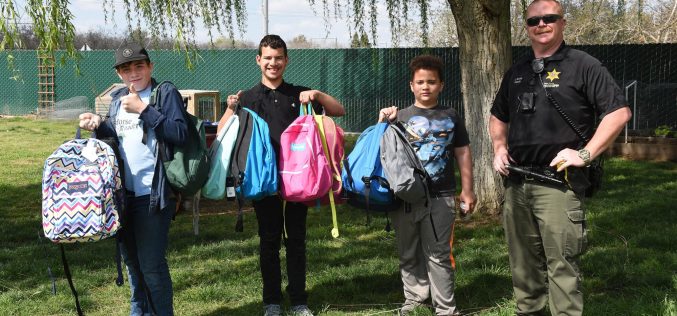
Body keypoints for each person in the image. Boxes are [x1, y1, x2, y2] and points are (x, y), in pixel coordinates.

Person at [489, 0, 632, 315]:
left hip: (558, 183)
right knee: (523, 268)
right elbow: (498, 116)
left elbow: (619, 113)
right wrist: (499, 148)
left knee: (561, 267)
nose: (541, 25)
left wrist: (585, 153)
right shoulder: (517, 72)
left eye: (549, 18)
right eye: (533, 21)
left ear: (563, 23)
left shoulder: (584, 65)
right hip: (516, 183)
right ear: (526, 27)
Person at [217, 34, 345, 316]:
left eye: (278, 58)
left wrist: (318, 95)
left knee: (297, 240)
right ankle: (271, 301)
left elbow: (339, 110)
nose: (272, 63)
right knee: (269, 241)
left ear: (286, 60)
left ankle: (299, 300)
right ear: (258, 60)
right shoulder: (247, 98)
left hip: (298, 181)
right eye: (267, 58)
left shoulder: (299, 94)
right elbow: (222, 133)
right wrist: (229, 109)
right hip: (264, 182)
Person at [79, 40, 187, 315]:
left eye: (139, 66)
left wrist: (144, 109)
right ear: (119, 74)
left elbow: (179, 134)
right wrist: (100, 125)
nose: (134, 73)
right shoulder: (116, 101)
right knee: (134, 268)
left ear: (150, 66)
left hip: (153, 197)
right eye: (126, 69)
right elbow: (114, 144)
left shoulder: (165, 93)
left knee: (152, 267)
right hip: (123, 199)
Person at [378, 55, 476, 316]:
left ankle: (445, 307)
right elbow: (383, 152)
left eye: (431, 82)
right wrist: (382, 120)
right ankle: (415, 301)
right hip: (405, 199)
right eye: (420, 82)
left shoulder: (451, 116)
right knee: (408, 253)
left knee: (439, 254)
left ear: (441, 85)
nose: (425, 87)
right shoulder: (398, 118)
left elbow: (463, 153)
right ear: (411, 85)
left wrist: (468, 189)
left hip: (441, 197)